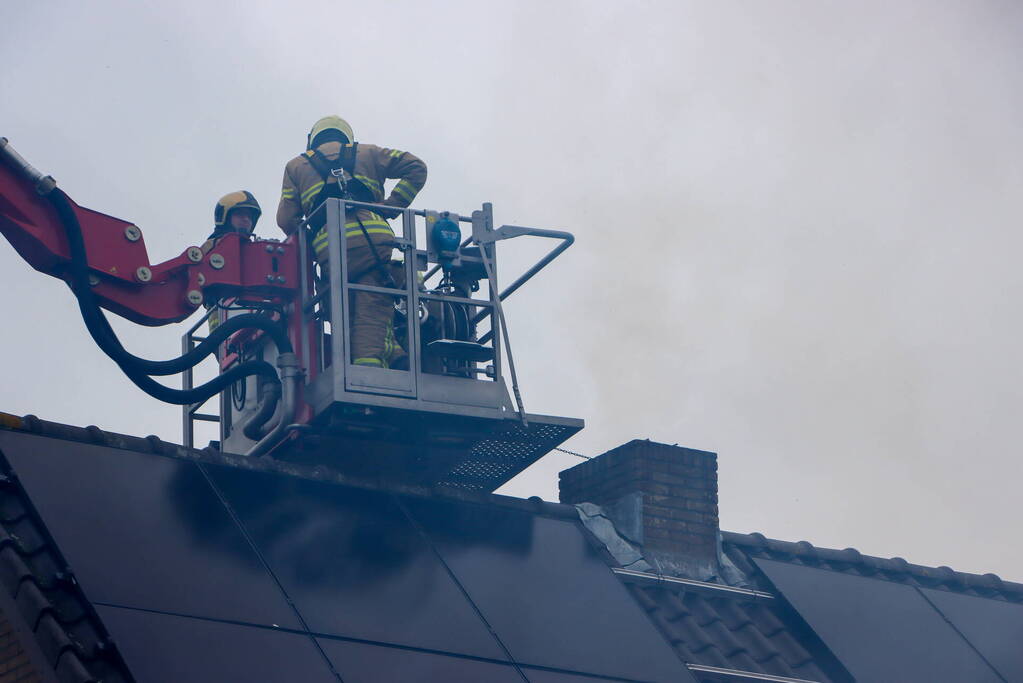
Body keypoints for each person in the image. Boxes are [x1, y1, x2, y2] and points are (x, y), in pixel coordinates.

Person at [276, 115, 427, 369]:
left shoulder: (296, 166)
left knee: (345, 312)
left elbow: (286, 219)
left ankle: (391, 354)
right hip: (374, 243)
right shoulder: (368, 153)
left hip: (330, 251)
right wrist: (392, 206)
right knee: (372, 305)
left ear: (313, 139)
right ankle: (370, 372)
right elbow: (417, 168)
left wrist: (312, 241)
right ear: (346, 136)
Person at [203, 191, 262, 331]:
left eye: (249, 216)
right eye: (240, 214)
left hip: (251, 317)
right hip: (221, 317)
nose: (246, 219)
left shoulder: (253, 248)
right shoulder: (212, 246)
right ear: (225, 217)